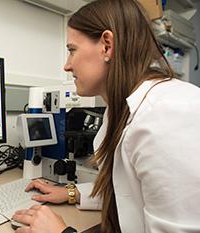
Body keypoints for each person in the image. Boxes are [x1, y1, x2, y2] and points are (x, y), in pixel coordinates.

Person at [11, 0, 200, 232]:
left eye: (72, 50)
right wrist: (73, 193)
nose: (67, 66)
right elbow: (130, 191)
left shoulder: (164, 118)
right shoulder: (123, 107)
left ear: (107, 46)